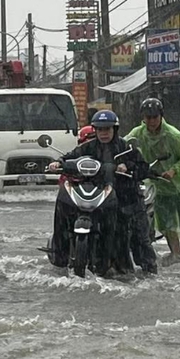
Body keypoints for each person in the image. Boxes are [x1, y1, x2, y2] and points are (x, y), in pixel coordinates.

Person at [48, 110, 157, 274]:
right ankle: (61, 256)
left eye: (107, 129)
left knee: (139, 237)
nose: (103, 133)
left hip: (125, 198)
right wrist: (58, 163)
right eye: (99, 129)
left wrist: (128, 166)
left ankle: (149, 271)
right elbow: (70, 156)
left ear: (115, 129)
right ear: (95, 130)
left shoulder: (125, 147)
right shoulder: (88, 147)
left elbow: (143, 167)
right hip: (99, 197)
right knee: (64, 207)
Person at [126, 98, 180, 265]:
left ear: (161, 116)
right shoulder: (138, 134)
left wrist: (173, 170)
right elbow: (124, 146)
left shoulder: (173, 136)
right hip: (159, 186)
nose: (151, 121)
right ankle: (176, 255)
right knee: (167, 224)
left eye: (154, 117)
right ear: (143, 117)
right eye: (148, 117)